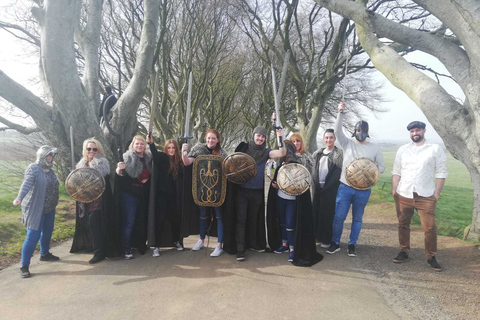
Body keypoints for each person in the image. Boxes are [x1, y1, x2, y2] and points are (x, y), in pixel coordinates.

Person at [326, 102, 385, 257]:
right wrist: (340, 112)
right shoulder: (348, 144)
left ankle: (352, 244)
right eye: (358, 130)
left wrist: (369, 172)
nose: (361, 132)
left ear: (367, 132)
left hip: (363, 190)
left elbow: (382, 167)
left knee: (357, 219)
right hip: (345, 187)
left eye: (364, 130)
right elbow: (337, 131)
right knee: (339, 217)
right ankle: (335, 242)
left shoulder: (374, 148)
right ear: (354, 131)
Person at [391, 121, 448, 272]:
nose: (415, 133)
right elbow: (396, 171)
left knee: (429, 228)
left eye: (417, 130)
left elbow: (441, 172)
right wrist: (394, 189)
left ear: (424, 131)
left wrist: (436, 193)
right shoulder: (403, 150)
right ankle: (404, 251)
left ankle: (431, 256)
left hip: (426, 194)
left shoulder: (435, 149)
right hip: (404, 193)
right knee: (403, 224)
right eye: (412, 131)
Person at [266, 140, 323, 266]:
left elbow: (302, 183)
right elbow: (275, 179)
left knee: (290, 224)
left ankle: (292, 249)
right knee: (283, 223)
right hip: (281, 198)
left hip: (293, 200)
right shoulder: (280, 165)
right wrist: (275, 184)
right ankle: (284, 244)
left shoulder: (297, 165)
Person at [234, 125, 285, 261]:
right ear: (254, 135)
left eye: (263, 136)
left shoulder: (266, 152)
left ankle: (253, 244)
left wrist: (280, 136)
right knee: (241, 219)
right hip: (242, 190)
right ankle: (240, 248)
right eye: (258, 135)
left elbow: (281, 153)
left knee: (254, 219)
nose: (260, 138)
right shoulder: (244, 148)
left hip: (257, 191)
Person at [70, 138, 120, 263]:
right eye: (89, 149)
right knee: (92, 226)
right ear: (85, 150)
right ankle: (95, 248)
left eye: (94, 149)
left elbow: (101, 182)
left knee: (95, 224)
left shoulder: (101, 163)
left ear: (98, 150)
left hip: (99, 200)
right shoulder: (81, 164)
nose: (91, 151)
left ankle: (99, 252)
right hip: (85, 200)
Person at [13, 145, 60, 278]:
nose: (50, 158)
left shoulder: (50, 170)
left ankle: (44, 254)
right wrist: (19, 198)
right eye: (48, 156)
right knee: (33, 235)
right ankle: (24, 266)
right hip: (35, 208)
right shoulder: (33, 168)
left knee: (47, 231)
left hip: (49, 208)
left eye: (52, 156)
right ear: (42, 156)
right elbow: (26, 183)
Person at [182, 129, 228, 257]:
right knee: (203, 215)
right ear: (205, 138)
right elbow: (186, 162)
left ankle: (219, 245)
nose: (210, 141)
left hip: (218, 190)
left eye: (213, 138)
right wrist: (184, 152)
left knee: (219, 216)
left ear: (218, 139)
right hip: (201, 188)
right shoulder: (198, 150)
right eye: (208, 138)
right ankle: (201, 240)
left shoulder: (222, 153)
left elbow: (227, 171)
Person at [146, 137, 184, 257]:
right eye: (169, 148)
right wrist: (151, 144)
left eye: (173, 148)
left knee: (175, 219)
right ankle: (157, 246)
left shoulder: (179, 160)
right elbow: (155, 156)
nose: (171, 150)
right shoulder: (162, 157)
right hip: (162, 194)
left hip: (174, 195)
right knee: (160, 219)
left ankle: (177, 241)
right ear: (166, 149)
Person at [116, 135, 152, 259]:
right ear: (133, 145)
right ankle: (126, 248)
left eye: (141, 144)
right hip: (130, 193)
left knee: (142, 220)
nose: (139, 146)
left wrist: (148, 179)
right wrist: (119, 169)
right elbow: (121, 176)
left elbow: (153, 173)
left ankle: (139, 244)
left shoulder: (148, 158)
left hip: (144, 193)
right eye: (137, 144)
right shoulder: (127, 158)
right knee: (129, 222)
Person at [312, 129, 343, 248]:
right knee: (315, 212)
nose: (328, 140)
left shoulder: (339, 155)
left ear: (334, 139)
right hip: (317, 188)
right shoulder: (318, 154)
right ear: (324, 139)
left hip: (330, 188)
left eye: (331, 137)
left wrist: (328, 186)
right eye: (326, 137)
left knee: (327, 213)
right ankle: (316, 237)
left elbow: (337, 173)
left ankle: (326, 239)